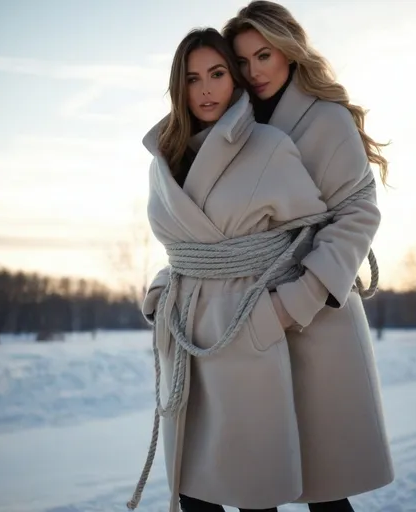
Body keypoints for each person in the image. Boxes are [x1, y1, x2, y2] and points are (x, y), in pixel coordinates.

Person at [126, 27, 368, 512]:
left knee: (257, 487)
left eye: (218, 74)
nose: (207, 89)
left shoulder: (268, 145)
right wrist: (162, 286)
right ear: (179, 87)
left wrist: (285, 307)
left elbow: (309, 231)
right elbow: (184, 244)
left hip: (251, 331)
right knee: (195, 489)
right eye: (193, 79)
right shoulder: (164, 157)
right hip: (190, 335)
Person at [221, 1, 395, 511]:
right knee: (255, 481)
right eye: (243, 61)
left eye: (264, 56)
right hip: (250, 312)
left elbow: (358, 214)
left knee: (324, 489)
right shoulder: (235, 124)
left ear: (290, 52)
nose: (253, 72)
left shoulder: (327, 119)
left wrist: (300, 297)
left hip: (315, 317)